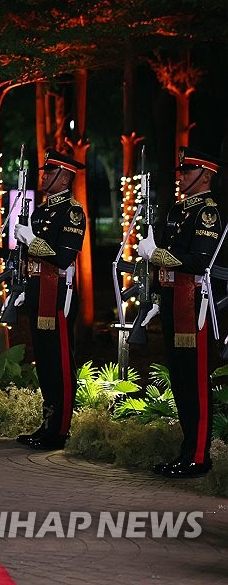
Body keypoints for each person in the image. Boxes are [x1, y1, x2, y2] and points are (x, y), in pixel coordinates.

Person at [139, 147, 224, 477]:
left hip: (194, 304)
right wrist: (156, 301)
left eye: (187, 171)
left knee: (195, 381)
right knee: (179, 380)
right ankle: (187, 451)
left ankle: (199, 456)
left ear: (205, 175)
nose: (181, 176)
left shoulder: (207, 214)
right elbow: (170, 266)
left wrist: (155, 254)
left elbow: (198, 262)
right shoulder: (178, 211)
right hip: (175, 302)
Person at [12, 149, 87, 450]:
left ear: (65, 176)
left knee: (59, 363)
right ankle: (47, 423)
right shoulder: (40, 211)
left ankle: (60, 429)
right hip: (37, 292)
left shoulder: (72, 212)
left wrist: (32, 240)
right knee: (43, 361)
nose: (43, 177)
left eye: (49, 172)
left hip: (58, 295)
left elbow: (65, 257)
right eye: (43, 172)